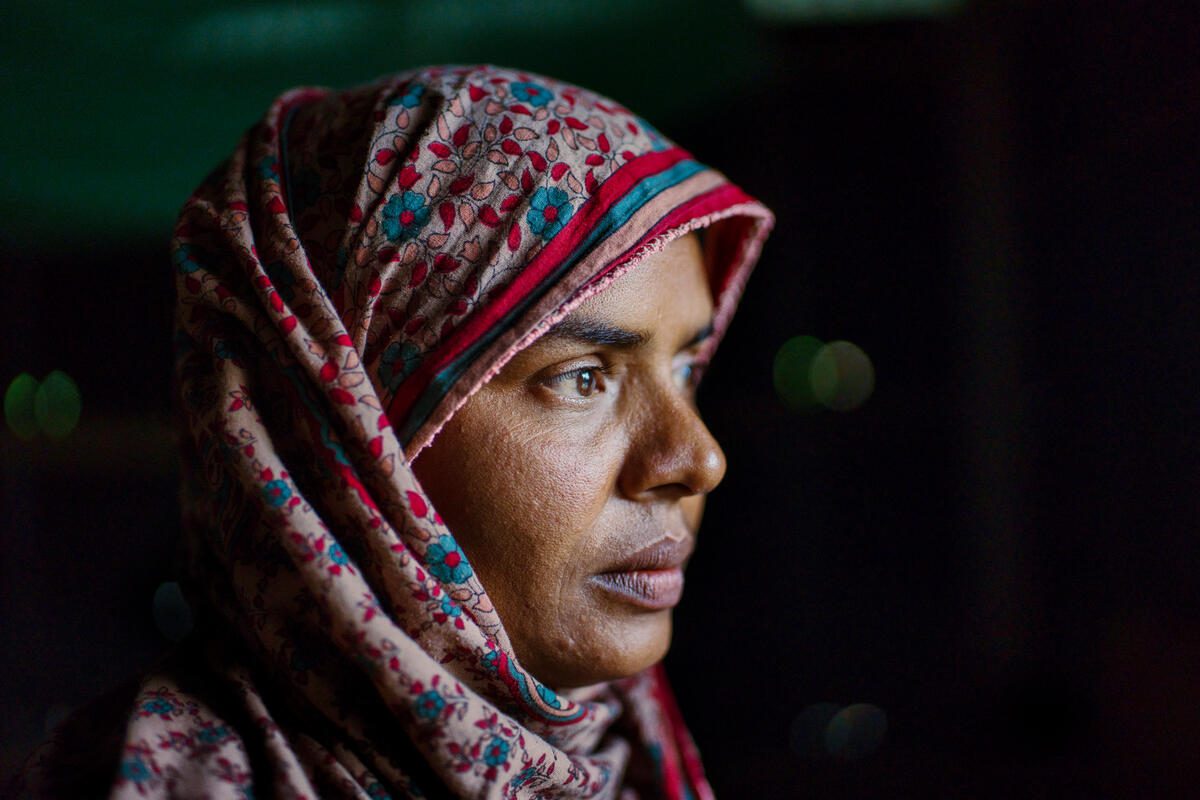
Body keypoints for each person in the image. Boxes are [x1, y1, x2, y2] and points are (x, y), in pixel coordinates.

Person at [16, 64, 771, 798]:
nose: (699, 459)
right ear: (346, 425)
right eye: (583, 378)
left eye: (685, 369)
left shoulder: (618, 753)